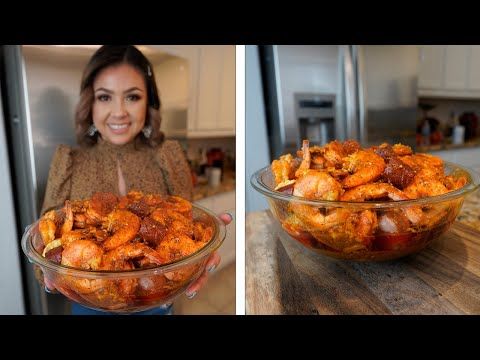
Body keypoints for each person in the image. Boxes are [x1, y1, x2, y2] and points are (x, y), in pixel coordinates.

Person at [38, 45, 232, 315]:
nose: (119, 112)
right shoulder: (68, 162)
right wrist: (49, 278)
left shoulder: (168, 157)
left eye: (132, 97)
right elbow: (43, 251)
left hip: (157, 302)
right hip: (89, 307)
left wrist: (200, 254)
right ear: (90, 104)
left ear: (149, 102)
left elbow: (187, 230)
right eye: (105, 98)